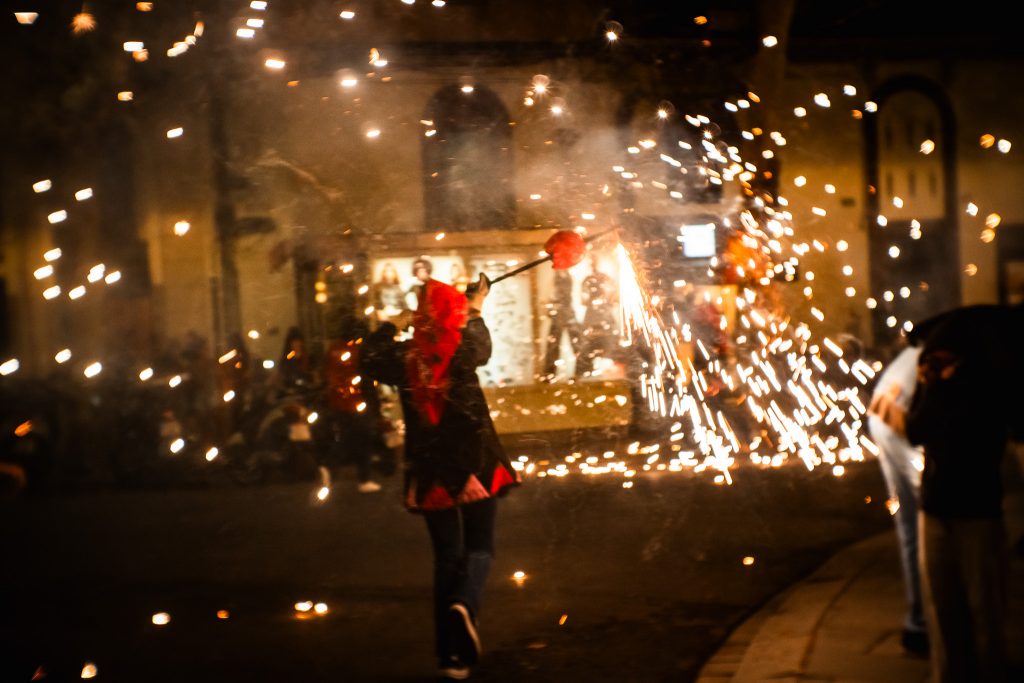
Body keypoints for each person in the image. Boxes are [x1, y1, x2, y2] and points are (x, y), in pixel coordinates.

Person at [365, 273, 518, 680]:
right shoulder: (464, 349)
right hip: (474, 466)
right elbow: (479, 344)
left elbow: (370, 356)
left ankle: (451, 659)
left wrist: (390, 326)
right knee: (480, 548)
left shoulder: (404, 359)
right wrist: (475, 305)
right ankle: (465, 605)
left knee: (446, 558)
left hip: (430, 469)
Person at [905, 305, 1017, 682]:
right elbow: (916, 430)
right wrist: (933, 387)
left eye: (941, 356)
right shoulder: (934, 386)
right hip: (935, 509)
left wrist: (951, 387)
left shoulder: (987, 387)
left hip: (978, 512)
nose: (933, 362)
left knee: (985, 609)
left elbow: (995, 432)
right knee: (943, 609)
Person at [867, 341, 928, 656]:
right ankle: (926, 623)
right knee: (933, 517)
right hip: (899, 419)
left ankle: (918, 623)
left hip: (882, 411)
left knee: (910, 526)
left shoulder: (947, 337)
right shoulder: (988, 346)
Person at [323, 317, 382, 493]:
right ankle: (361, 477)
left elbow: (329, 374)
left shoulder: (335, 348)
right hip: (356, 403)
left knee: (349, 438)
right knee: (361, 438)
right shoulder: (356, 350)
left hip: (339, 402)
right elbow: (364, 378)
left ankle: (332, 466)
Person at [542, 269, 580, 380]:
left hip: (565, 310)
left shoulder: (566, 275)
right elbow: (550, 294)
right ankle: (549, 373)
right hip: (560, 310)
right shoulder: (558, 276)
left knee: (575, 343)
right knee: (555, 344)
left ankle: (579, 371)